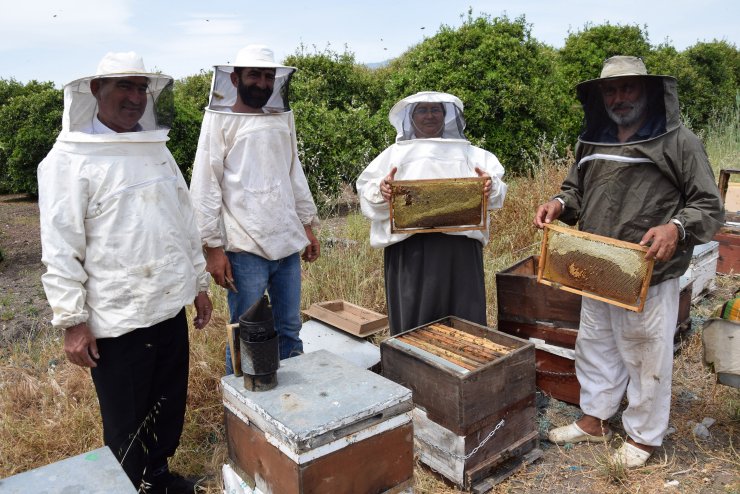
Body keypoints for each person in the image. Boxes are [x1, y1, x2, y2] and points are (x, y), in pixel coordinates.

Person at [534, 56, 724, 468]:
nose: (619, 98)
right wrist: (558, 203)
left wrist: (675, 228)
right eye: (610, 90)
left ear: (648, 92)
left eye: (628, 88)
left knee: (644, 352)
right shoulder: (592, 140)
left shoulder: (679, 142)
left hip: (648, 271)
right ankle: (594, 420)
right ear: (600, 97)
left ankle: (643, 437)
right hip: (596, 264)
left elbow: (708, 205)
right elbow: (575, 190)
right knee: (595, 344)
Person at [37, 52, 212, 493]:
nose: (135, 98)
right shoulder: (68, 160)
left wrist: (198, 285)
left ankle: (158, 478)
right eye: (124, 87)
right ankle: (130, 484)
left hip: (168, 306)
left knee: (168, 403)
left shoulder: (156, 148)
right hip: (117, 320)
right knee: (126, 419)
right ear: (96, 90)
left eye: (141, 88)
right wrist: (73, 322)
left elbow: (183, 222)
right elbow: (60, 249)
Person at [189, 44, 320, 371]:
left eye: (267, 76)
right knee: (247, 331)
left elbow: (293, 172)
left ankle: (294, 408)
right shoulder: (219, 121)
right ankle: (241, 412)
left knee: (290, 329)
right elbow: (206, 184)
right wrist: (213, 249)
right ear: (235, 78)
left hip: (287, 244)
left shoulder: (280, 118)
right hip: (244, 248)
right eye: (254, 75)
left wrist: (306, 224)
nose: (262, 83)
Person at [356, 91, 507, 335]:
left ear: (446, 115)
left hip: (460, 254)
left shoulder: (473, 155)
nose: (429, 116)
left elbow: (497, 195)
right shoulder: (393, 155)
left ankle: (466, 371)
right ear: (411, 117)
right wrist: (382, 191)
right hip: (410, 253)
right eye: (422, 110)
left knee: (464, 326)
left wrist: (490, 187)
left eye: (435, 109)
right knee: (416, 329)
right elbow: (367, 194)